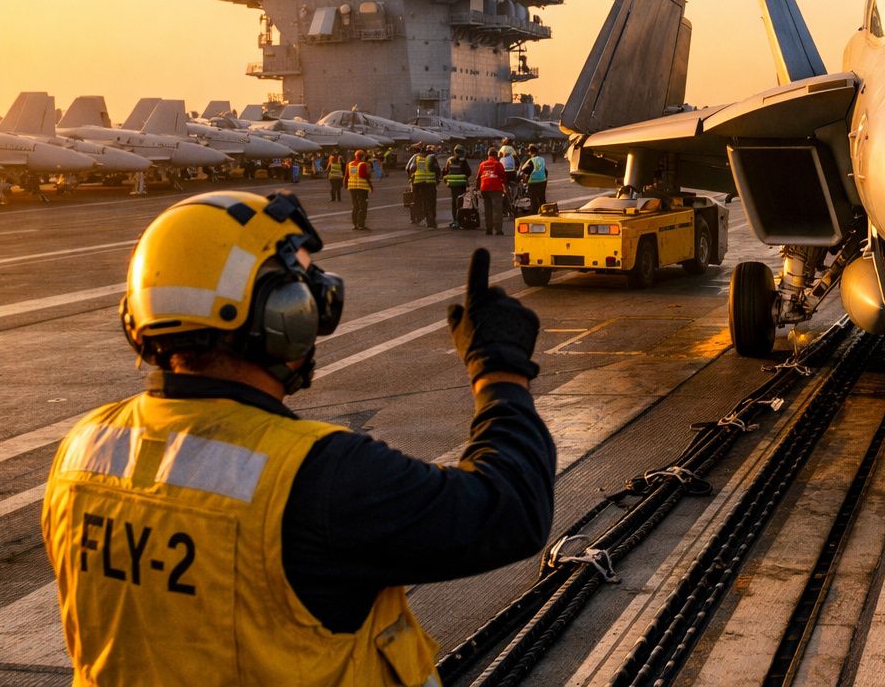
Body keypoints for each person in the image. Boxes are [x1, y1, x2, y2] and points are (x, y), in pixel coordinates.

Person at [42, 190, 554, 686]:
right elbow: (509, 509)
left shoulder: (81, 450)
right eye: (302, 289)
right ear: (279, 315)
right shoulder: (317, 475)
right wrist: (499, 371)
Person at [406, 145, 440, 229]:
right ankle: (431, 222)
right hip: (429, 184)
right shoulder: (431, 158)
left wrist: (411, 178)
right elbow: (437, 170)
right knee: (430, 203)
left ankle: (419, 218)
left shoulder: (417, 158)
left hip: (418, 183)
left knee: (418, 201)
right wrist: (437, 179)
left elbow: (410, 169)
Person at [476, 147, 507, 237]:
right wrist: (505, 187)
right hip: (495, 188)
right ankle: (498, 230)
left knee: (487, 209)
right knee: (497, 210)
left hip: (484, 188)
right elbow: (503, 176)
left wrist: (478, 189)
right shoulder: (498, 164)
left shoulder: (482, 164)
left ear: (488, 155)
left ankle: (488, 229)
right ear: (496, 155)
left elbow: (478, 177)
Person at [443, 146, 471, 229]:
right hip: (462, 185)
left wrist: (448, 180)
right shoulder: (463, 161)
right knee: (462, 203)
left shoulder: (449, 160)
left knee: (454, 203)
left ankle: (455, 220)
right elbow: (468, 172)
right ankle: (461, 220)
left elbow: (445, 171)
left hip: (453, 185)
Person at [346, 149, 373, 230]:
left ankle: (355, 224)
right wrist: (370, 185)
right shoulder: (363, 164)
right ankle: (361, 224)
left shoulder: (350, 164)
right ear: (363, 156)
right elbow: (364, 175)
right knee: (363, 206)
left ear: (355, 156)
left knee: (355, 206)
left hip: (352, 188)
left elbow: (346, 176)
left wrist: (344, 184)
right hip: (362, 188)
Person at [519, 144, 549, 214]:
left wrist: (526, 178)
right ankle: (544, 212)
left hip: (533, 182)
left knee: (533, 199)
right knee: (542, 198)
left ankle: (534, 212)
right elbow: (545, 171)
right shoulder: (542, 159)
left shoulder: (531, 160)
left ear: (530, 152)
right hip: (543, 181)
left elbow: (524, 169)